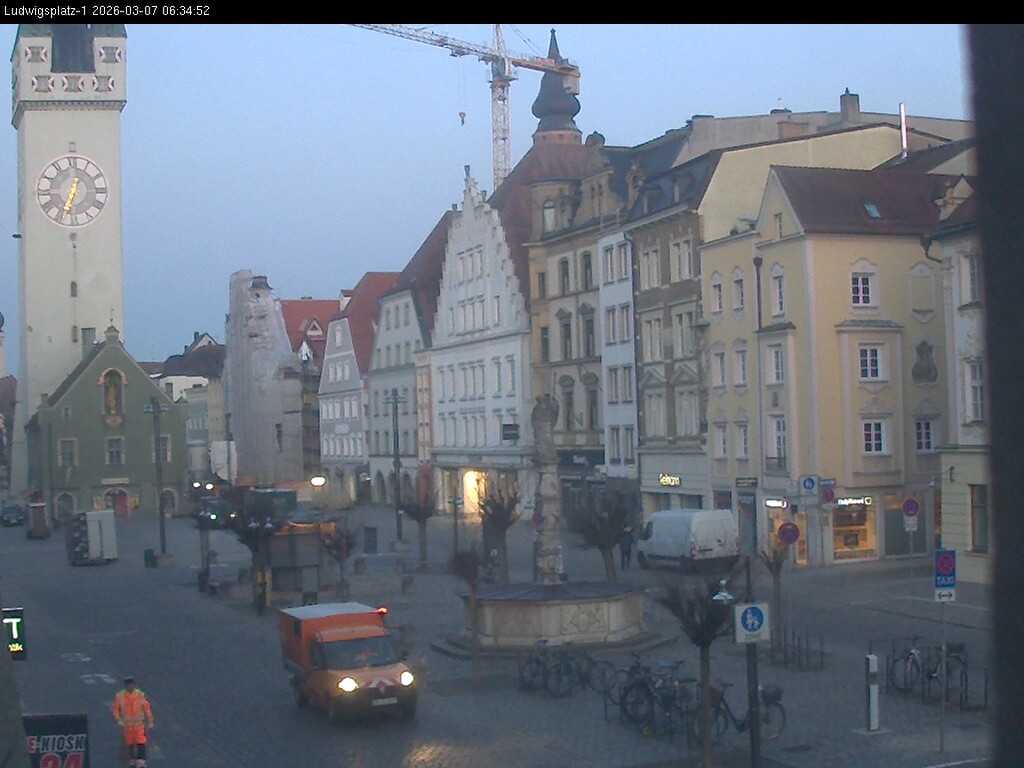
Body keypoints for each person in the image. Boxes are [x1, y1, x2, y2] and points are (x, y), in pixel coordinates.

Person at [111, 676, 154, 767]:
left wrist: (150, 721)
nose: (130, 687)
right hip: (127, 725)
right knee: (129, 743)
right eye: (128, 685)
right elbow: (115, 709)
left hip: (139, 724)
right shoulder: (120, 696)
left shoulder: (140, 695)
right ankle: (133, 760)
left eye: (131, 685)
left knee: (141, 741)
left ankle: (141, 759)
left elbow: (147, 708)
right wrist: (119, 720)